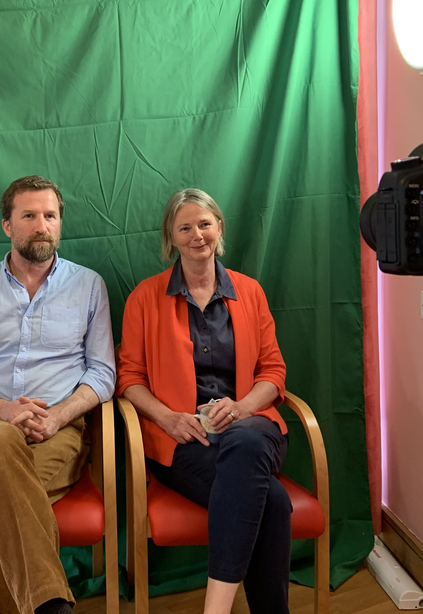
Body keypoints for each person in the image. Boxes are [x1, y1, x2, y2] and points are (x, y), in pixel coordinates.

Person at [0, 175, 116, 614]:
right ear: (7, 225)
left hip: (59, 428)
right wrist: (2, 409)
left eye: (50, 216)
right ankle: (51, 605)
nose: (41, 225)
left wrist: (58, 416)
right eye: (29, 215)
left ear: (60, 223)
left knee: (0, 495)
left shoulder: (89, 286)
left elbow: (103, 373)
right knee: (0, 447)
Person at [116, 188, 291, 614]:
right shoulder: (144, 297)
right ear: (171, 238)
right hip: (181, 441)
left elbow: (273, 371)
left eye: (205, 224)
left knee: (246, 440)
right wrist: (167, 418)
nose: (197, 235)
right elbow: (129, 377)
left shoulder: (250, 292)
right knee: (272, 501)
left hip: (252, 427)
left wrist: (244, 407)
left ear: (219, 228)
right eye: (185, 228)